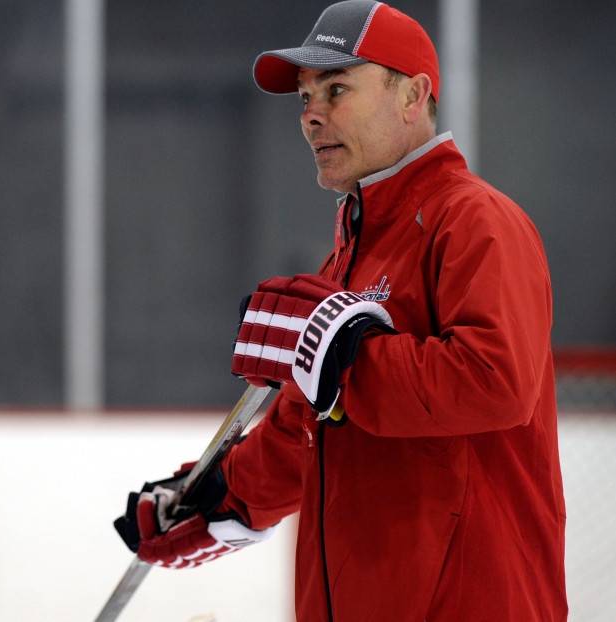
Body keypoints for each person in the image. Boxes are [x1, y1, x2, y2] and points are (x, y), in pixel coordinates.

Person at [114, 2, 567, 620]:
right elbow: (306, 423)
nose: (311, 116)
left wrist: (348, 363)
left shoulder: (474, 221)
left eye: (337, 89)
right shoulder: (350, 258)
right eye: (304, 97)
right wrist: (219, 496)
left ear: (413, 94)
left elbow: (497, 383)